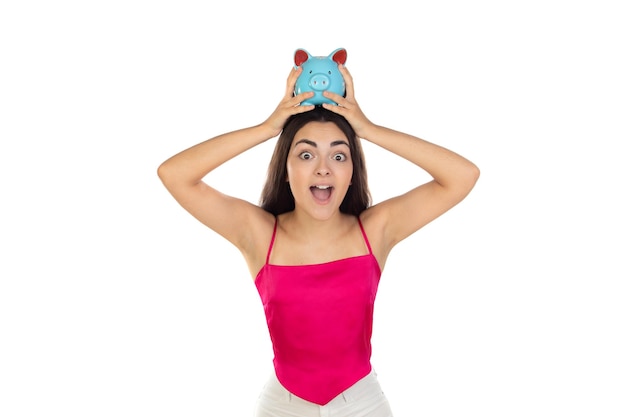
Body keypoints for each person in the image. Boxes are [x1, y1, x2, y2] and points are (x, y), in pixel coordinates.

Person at [157, 62, 479, 416]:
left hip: (361, 403)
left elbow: (462, 176)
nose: (323, 168)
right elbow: (174, 174)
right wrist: (267, 128)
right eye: (306, 154)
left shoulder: (374, 231)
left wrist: (367, 129)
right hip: (282, 405)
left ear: (352, 172)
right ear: (286, 169)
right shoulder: (261, 234)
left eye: (338, 155)